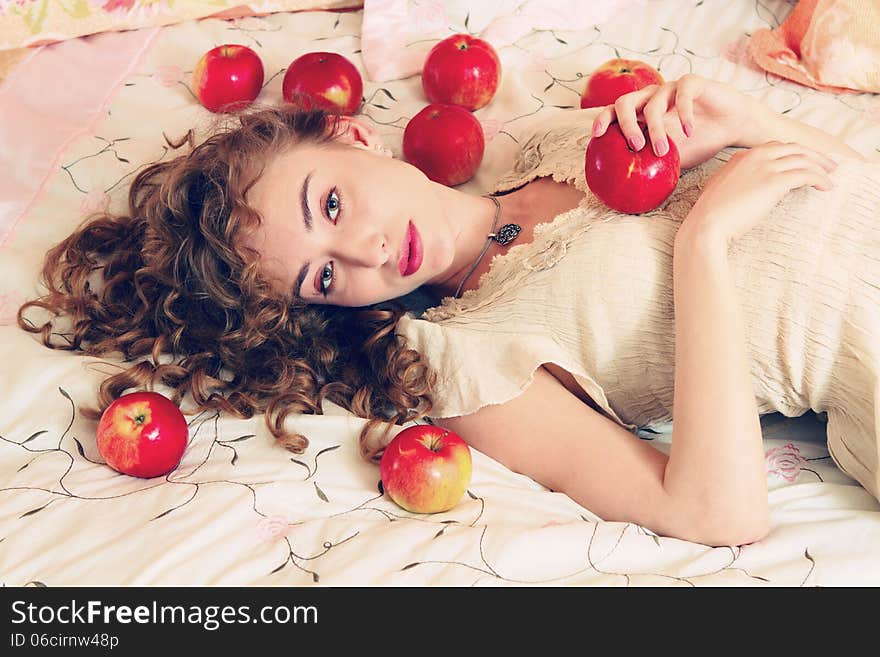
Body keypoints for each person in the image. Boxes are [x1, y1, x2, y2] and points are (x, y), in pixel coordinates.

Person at [18, 73, 876, 548]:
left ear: (355, 138)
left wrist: (753, 122)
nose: (365, 254)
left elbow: (841, 197)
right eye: (322, 278)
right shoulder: (463, 362)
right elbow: (714, 514)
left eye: (330, 207)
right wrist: (704, 245)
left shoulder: (553, 138)